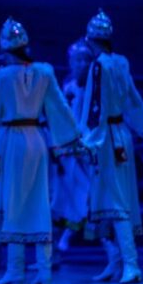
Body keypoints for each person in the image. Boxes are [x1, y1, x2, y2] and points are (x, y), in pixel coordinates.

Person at [0, 17, 80, 284]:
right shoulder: (44, 72)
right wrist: (73, 138)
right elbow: (59, 107)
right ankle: (44, 271)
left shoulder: (3, 75)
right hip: (37, 140)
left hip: (13, 141)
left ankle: (16, 270)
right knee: (38, 202)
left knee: (14, 201)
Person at [80, 9, 143, 284]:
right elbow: (132, 97)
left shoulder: (100, 65)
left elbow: (97, 106)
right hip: (120, 133)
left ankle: (131, 263)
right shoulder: (121, 62)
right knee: (110, 199)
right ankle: (116, 261)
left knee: (117, 202)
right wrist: (138, 125)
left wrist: (88, 140)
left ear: (91, 41)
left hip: (107, 136)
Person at [50, 39, 93, 253]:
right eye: (78, 60)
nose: (82, 64)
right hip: (67, 141)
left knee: (86, 190)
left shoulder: (95, 86)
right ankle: (59, 240)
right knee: (64, 192)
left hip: (87, 141)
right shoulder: (68, 85)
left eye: (85, 60)